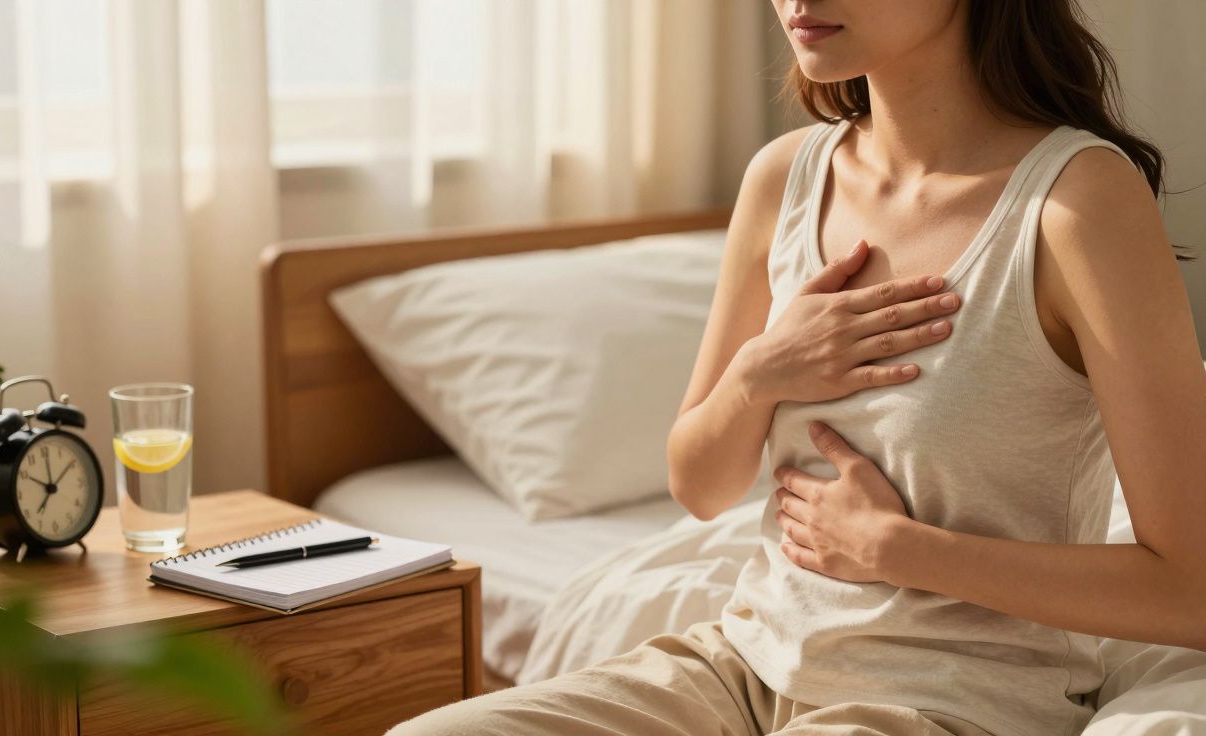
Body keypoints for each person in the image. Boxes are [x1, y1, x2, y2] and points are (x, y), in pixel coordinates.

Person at [387, 1, 1204, 734]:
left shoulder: (1078, 201)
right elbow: (699, 485)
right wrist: (760, 373)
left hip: (946, 701)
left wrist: (901, 551)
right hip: (742, 667)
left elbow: (1189, 588)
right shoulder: (784, 177)